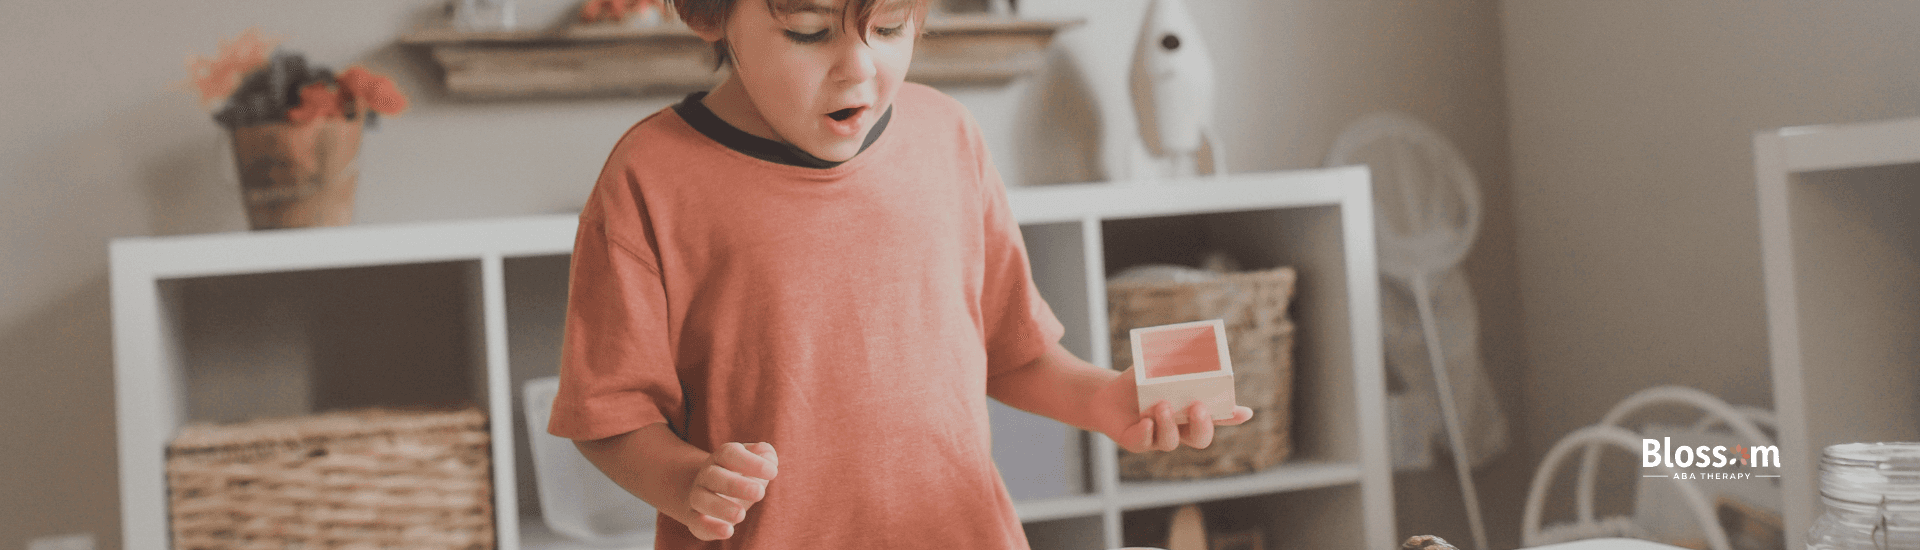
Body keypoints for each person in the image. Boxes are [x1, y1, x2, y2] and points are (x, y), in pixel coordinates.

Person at [546, 0, 1254, 548]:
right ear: (711, 14)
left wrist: (1107, 402)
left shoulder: (949, 137)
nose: (859, 68)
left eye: (889, 27)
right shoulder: (650, 178)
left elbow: (1012, 351)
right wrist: (685, 481)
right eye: (810, 32)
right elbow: (609, 416)